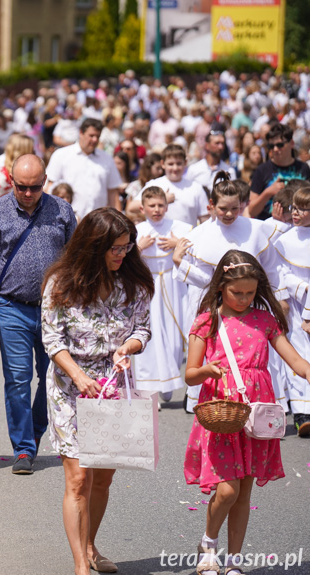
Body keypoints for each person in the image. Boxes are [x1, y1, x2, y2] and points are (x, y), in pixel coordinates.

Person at [41, 207, 153, 575]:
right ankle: (80, 566)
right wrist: (76, 374)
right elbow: (52, 338)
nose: (123, 254)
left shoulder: (132, 283)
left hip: (112, 384)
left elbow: (143, 329)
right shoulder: (61, 283)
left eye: (127, 247)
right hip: (70, 386)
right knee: (78, 478)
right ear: (94, 246)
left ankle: (90, 546)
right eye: (116, 248)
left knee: (103, 477)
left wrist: (129, 347)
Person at [184, 250, 310, 575]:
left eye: (250, 293)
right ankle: (208, 544)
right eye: (236, 292)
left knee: (245, 491)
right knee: (227, 489)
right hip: (224, 413)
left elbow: (296, 362)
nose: (243, 299)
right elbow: (190, 374)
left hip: (256, 415)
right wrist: (207, 371)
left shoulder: (266, 320)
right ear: (221, 287)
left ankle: (234, 562)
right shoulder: (208, 320)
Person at [0, 154, 76, 475]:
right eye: (21, 187)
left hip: (54, 311)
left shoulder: (62, 210)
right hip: (11, 307)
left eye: (35, 187)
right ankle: (23, 448)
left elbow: (75, 260)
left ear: (44, 181)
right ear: (10, 180)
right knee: (17, 380)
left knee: (52, 378)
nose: (28, 193)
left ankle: (35, 430)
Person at [173, 174, 283, 412]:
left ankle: (259, 405)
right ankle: (216, 402)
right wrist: (181, 263)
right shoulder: (200, 235)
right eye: (223, 208)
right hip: (214, 305)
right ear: (211, 206)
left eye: (235, 208)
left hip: (250, 301)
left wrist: (276, 298)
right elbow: (205, 280)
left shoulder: (255, 229)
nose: (230, 214)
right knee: (216, 355)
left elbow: (271, 269)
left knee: (255, 355)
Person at [134, 187, 192, 403]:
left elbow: (196, 250)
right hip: (148, 286)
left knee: (176, 338)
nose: (156, 210)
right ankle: (151, 391)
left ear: (167, 206)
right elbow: (125, 259)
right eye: (152, 206)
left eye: (160, 205)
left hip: (173, 284)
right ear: (143, 208)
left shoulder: (180, 228)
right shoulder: (138, 230)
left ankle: (170, 379)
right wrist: (139, 248)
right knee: (152, 337)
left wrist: (178, 244)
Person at [273, 186, 310, 436]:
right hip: (296, 308)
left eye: (303, 208)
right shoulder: (284, 240)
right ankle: (301, 413)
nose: (295, 212)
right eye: (294, 207)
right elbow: (279, 272)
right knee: (296, 353)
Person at [45, 118, 123, 219]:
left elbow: (113, 193)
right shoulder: (61, 155)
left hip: (98, 221)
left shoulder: (107, 159)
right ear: (81, 133)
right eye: (91, 135)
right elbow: (49, 188)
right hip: (67, 219)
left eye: (97, 136)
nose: (95, 140)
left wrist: (118, 220)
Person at [248, 123, 310, 219]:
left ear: (292, 143)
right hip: (270, 228)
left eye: (280, 145)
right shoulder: (261, 170)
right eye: (271, 146)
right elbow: (252, 210)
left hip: (299, 228)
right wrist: (267, 193)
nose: (275, 149)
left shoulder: (303, 168)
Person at [142, 144, 210, 227]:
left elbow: (205, 220)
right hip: (159, 238)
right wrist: (161, 201)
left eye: (179, 164)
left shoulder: (196, 188)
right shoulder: (153, 184)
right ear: (163, 164)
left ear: (185, 163)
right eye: (170, 164)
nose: (175, 168)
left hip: (187, 238)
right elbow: (132, 208)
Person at [186, 125, 237, 191]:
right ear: (207, 145)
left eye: (222, 143)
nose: (220, 147)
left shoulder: (230, 171)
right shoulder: (194, 169)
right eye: (217, 143)